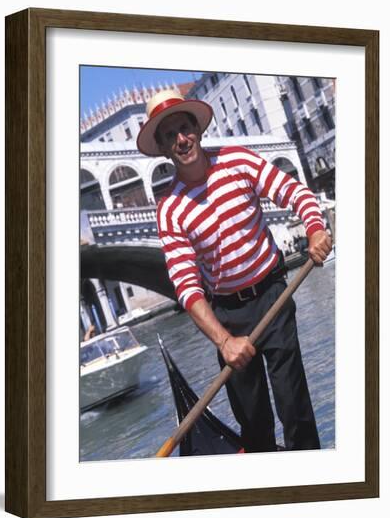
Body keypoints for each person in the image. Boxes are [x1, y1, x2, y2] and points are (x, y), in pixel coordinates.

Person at [137, 89, 332, 452]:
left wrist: (315, 227)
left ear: (197, 128)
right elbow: (186, 286)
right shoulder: (170, 209)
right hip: (227, 315)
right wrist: (225, 341)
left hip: (274, 295)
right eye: (170, 135)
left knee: (295, 410)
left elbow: (294, 193)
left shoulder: (238, 161)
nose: (182, 139)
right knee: (254, 423)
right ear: (164, 148)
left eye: (185, 128)